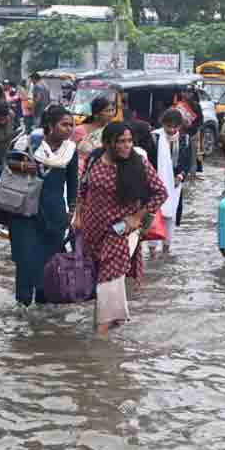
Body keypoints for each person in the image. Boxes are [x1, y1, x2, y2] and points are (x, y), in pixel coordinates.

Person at [72, 122, 168, 336]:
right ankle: (110, 322)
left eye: (129, 141)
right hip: (92, 230)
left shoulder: (139, 163)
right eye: (121, 142)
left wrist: (137, 216)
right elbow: (83, 189)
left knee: (109, 280)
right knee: (98, 279)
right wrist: (77, 216)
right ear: (108, 143)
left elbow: (161, 193)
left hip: (120, 232)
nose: (126, 146)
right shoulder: (94, 159)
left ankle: (101, 335)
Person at [7, 106, 79, 307]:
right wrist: (24, 166)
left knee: (50, 261)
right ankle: (22, 305)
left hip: (55, 214)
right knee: (26, 259)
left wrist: (71, 213)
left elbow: (73, 184)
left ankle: (43, 303)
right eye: (64, 124)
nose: (69, 129)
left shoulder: (70, 151)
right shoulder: (29, 142)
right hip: (24, 213)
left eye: (71, 125)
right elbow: (8, 162)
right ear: (50, 125)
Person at [147, 108, 194, 252]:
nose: (172, 130)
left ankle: (166, 249)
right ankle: (152, 251)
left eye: (175, 126)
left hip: (175, 186)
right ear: (163, 124)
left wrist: (181, 175)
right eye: (169, 126)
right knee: (154, 215)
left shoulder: (185, 140)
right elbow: (148, 162)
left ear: (180, 126)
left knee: (170, 217)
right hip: (155, 184)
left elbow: (187, 163)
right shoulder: (154, 138)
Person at [71, 95, 115, 175]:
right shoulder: (79, 131)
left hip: (101, 173)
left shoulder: (112, 130)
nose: (111, 114)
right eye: (107, 111)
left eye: (112, 110)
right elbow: (70, 152)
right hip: (79, 172)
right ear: (96, 114)